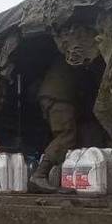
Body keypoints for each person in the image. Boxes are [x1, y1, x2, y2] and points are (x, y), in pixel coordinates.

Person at [29, 56, 81, 192]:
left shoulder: (63, 57)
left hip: (53, 96)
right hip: (59, 97)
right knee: (66, 136)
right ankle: (40, 174)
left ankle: (60, 180)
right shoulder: (77, 54)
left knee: (64, 137)